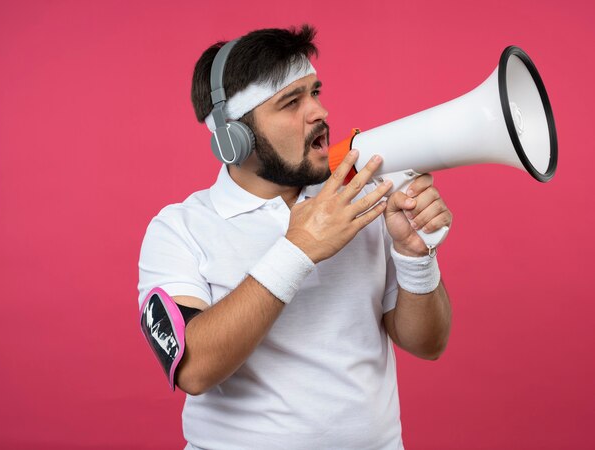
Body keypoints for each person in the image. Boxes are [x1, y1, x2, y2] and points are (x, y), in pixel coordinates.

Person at [138, 24, 452, 450]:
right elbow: (192, 369)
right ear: (234, 139)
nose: (319, 113)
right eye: (291, 102)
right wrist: (299, 247)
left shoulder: (360, 200)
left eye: (315, 92)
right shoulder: (179, 228)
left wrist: (416, 256)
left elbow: (428, 344)